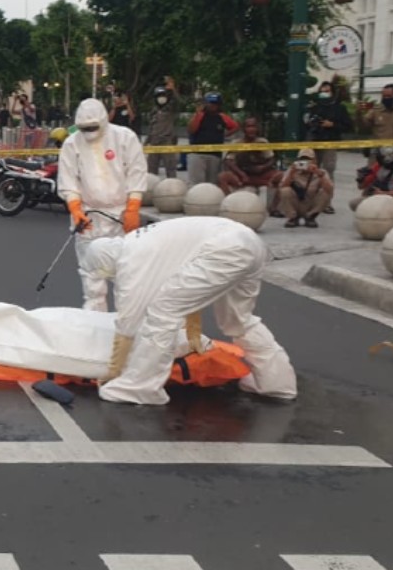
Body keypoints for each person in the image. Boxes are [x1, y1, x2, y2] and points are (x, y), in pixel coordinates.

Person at [82, 217, 297, 406]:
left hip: (223, 249)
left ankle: (139, 388)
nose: (109, 275)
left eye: (105, 270)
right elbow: (186, 284)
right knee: (238, 321)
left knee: (163, 311)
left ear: (107, 260)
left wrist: (114, 370)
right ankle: (276, 383)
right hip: (248, 242)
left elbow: (128, 320)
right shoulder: (138, 241)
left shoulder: (130, 259)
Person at [58, 97, 148, 311]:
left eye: (93, 126)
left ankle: (126, 328)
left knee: (126, 275)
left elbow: (136, 172)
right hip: (88, 217)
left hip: (121, 216)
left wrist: (133, 207)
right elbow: (68, 180)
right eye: (84, 127)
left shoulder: (124, 138)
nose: (89, 131)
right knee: (92, 279)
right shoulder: (72, 144)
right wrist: (75, 208)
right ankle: (95, 324)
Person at [217, 116, 282, 208]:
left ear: (257, 128)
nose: (251, 129)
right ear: (244, 129)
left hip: (260, 174)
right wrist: (241, 174)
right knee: (222, 177)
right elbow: (228, 161)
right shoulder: (237, 143)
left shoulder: (262, 142)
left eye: (253, 126)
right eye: (248, 126)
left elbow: (272, 159)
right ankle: (229, 204)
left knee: (281, 176)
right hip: (242, 175)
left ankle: (274, 208)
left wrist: (263, 167)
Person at [305, 81, 352, 202]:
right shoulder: (315, 107)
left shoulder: (339, 108)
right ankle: (311, 198)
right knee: (312, 170)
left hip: (330, 141)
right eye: (322, 91)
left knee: (328, 169)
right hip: (315, 141)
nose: (324, 93)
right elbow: (308, 122)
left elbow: (348, 125)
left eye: (327, 91)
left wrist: (332, 124)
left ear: (332, 93)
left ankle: (326, 201)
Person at [187, 92, 239, 185]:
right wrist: (197, 114)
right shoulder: (200, 115)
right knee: (196, 184)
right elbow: (191, 130)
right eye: (210, 103)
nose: (212, 106)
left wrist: (225, 135)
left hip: (215, 155)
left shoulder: (222, 117)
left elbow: (235, 126)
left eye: (215, 104)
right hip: (197, 154)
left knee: (212, 184)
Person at [276, 148, 334, 228]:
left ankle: (310, 217)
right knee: (285, 190)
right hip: (296, 202)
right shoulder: (292, 170)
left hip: (311, 202)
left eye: (308, 159)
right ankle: (292, 217)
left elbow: (329, 190)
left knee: (325, 192)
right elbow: (282, 187)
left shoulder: (321, 172)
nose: (305, 162)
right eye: (302, 159)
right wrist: (292, 173)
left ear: (314, 161)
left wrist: (319, 175)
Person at [349, 144, 393, 213]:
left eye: (381, 156)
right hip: (381, 196)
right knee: (354, 204)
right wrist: (361, 179)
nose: (378, 158)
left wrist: (382, 193)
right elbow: (362, 186)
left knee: (384, 210)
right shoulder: (378, 166)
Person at [356, 83, 393, 161]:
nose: (386, 98)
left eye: (389, 96)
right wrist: (358, 114)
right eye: (384, 96)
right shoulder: (375, 111)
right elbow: (363, 127)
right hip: (377, 155)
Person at [146, 78, 180, 179]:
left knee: (170, 167)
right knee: (151, 168)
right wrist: (147, 141)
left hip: (167, 140)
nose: (161, 98)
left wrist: (173, 90)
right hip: (154, 141)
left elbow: (178, 102)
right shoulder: (153, 111)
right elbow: (151, 128)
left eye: (163, 96)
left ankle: (173, 187)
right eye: (159, 96)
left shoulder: (170, 109)